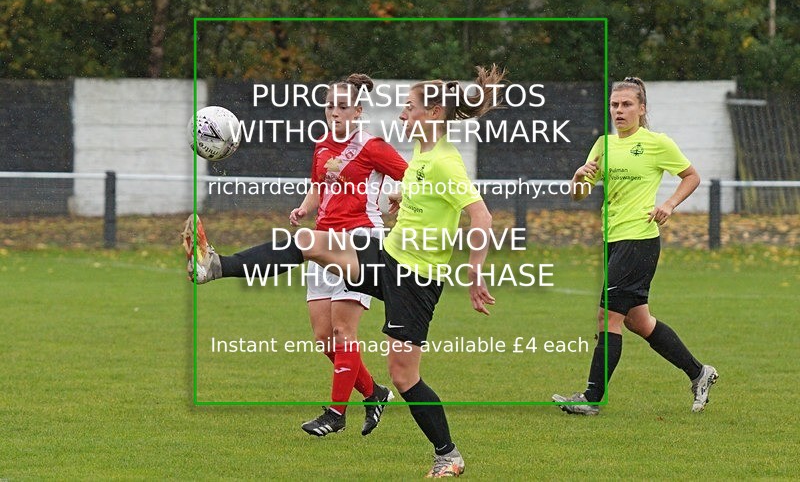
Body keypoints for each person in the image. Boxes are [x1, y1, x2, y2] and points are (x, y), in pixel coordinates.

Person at [184, 65, 505, 477]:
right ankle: (215, 266)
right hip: (387, 256)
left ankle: (448, 454)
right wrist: (402, 196)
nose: (402, 115)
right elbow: (421, 188)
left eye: (410, 108)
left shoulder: (444, 160)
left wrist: (476, 273)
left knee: (404, 376)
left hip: (416, 279)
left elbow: (481, 218)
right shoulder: (422, 155)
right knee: (308, 243)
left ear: (435, 113)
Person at [552, 76, 718, 415]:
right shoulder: (602, 144)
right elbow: (579, 194)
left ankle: (591, 398)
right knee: (638, 322)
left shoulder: (656, 143)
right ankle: (699, 372)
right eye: (614, 105)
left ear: (642, 109)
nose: (619, 110)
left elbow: (691, 176)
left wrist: (669, 205)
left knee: (607, 317)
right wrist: (578, 177)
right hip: (614, 241)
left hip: (639, 240)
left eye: (627, 104)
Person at [287, 74, 408, 436]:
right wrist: (304, 209)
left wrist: (399, 197)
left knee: (343, 330)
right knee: (325, 338)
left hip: (360, 240)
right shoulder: (322, 145)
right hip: (324, 240)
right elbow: (317, 188)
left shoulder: (371, 145)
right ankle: (374, 393)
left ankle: (336, 414)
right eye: (330, 106)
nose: (335, 113)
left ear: (358, 111)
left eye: (343, 107)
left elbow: (410, 174)